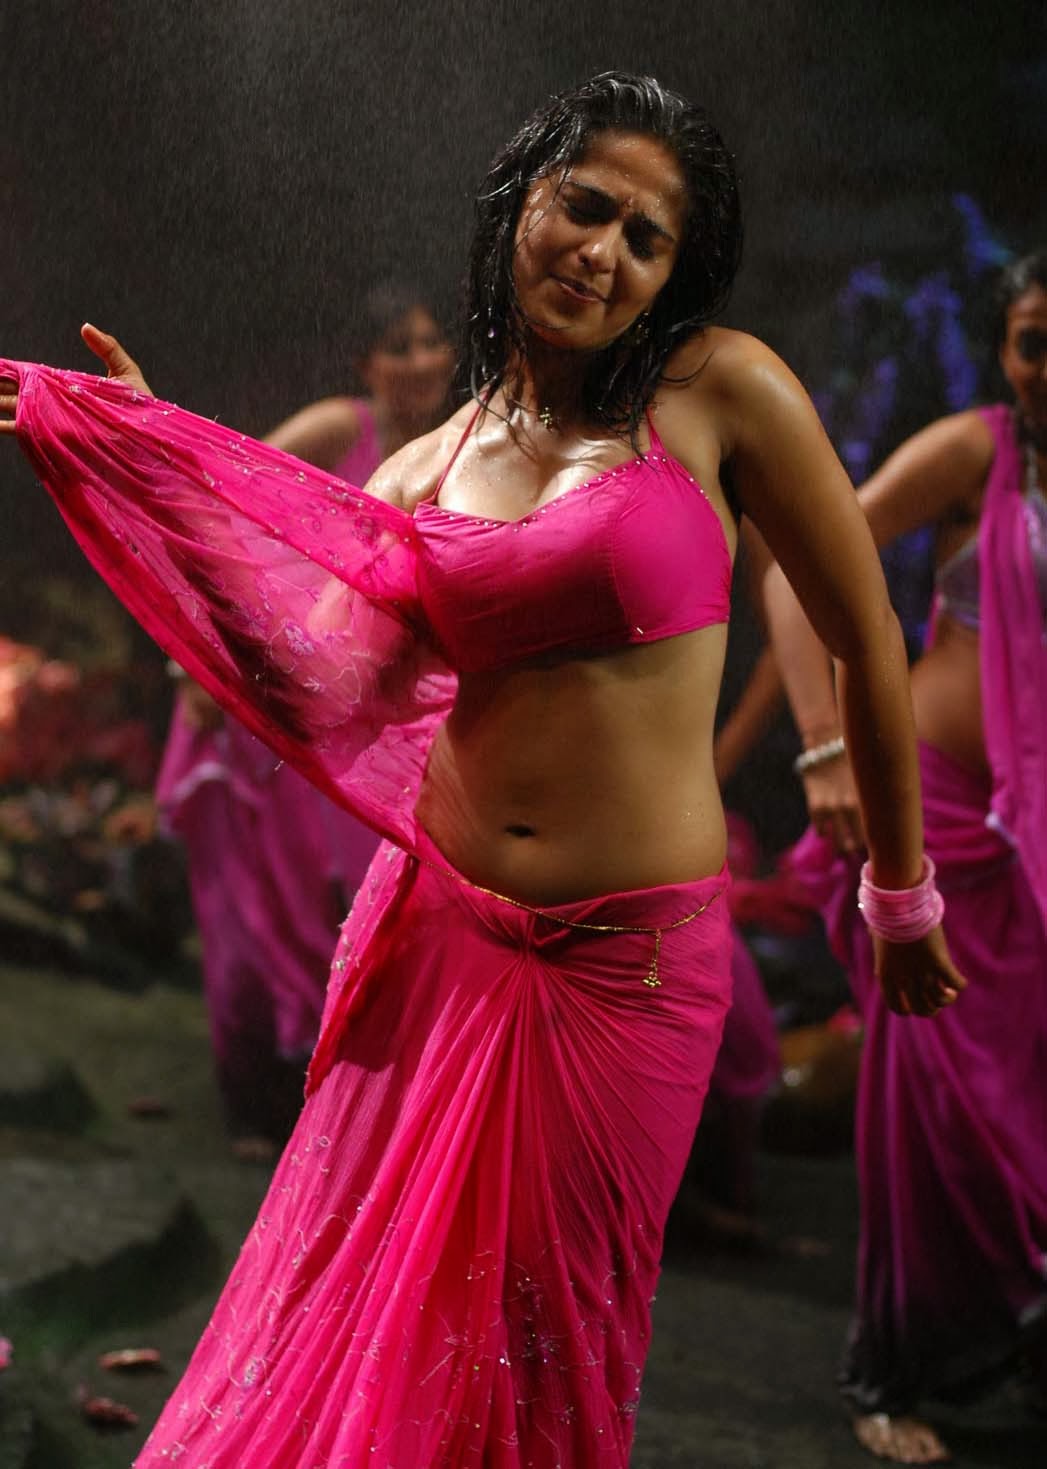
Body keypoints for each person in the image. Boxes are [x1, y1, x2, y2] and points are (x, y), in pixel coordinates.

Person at [1, 71, 963, 1469]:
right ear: (520, 199)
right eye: (586, 206)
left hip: (623, 974)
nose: (605, 252)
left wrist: (899, 894)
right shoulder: (421, 471)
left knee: (547, 1337)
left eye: (647, 239)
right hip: (437, 944)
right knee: (386, 1338)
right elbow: (315, 684)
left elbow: (865, 635)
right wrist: (155, 471)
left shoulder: (719, 390)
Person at [765, 250, 1047, 1463]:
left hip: (1037, 844)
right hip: (934, 816)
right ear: (1004, 347)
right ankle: (889, 1363)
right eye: (1034, 340)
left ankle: (1009, 1348)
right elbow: (794, 569)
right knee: (930, 1101)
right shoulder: (976, 450)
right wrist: (825, 749)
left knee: (1023, 1105)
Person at [156, 285, 453, 1159]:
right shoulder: (338, 426)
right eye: (398, 346)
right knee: (251, 909)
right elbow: (214, 493)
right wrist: (197, 653)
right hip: (250, 693)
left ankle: (321, 1102)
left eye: (431, 341)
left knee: (340, 903)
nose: (420, 360)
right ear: (365, 365)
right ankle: (252, 1100)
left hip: (343, 710)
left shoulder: (456, 449)